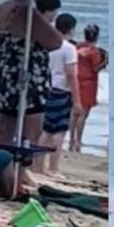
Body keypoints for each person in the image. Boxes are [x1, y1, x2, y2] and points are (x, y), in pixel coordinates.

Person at [0, 0, 63, 194]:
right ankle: (15, 180)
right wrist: (45, 20)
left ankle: (1, 177)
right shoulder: (28, 12)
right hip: (25, 80)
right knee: (28, 136)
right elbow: (54, 42)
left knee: (5, 132)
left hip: (5, 77)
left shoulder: (3, 8)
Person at [39, 12, 81, 175]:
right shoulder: (69, 48)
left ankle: (39, 165)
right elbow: (71, 74)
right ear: (71, 29)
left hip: (47, 87)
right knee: (59, 130)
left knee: (46, 129)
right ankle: (53, 167)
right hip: (62, 90)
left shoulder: (48, 44)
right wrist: (77, 100)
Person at [71, 23, 108, 154]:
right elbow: (95, 68)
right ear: (97, 36)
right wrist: (106, 61)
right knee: (84, 114)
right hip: (89, 82)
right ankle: (78, 139)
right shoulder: (94, 50)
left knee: (74, 113)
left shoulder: (77, 46)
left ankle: (71, 139)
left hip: (76, 79)